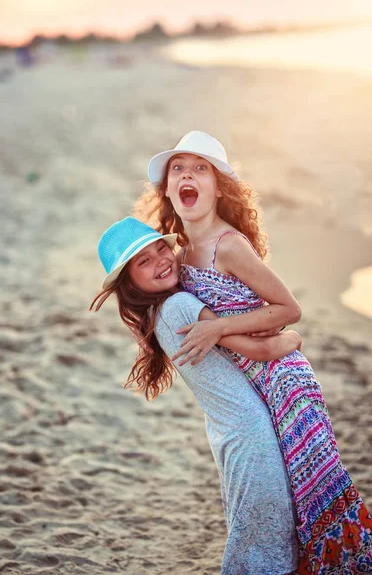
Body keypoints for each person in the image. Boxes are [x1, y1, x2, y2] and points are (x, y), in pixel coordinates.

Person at [134, 131, 372, 573]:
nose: (187, 174)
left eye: (200, 168)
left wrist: (223, 328)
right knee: (284, 499)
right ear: (167, 189)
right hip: (254, 376)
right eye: (178, 169)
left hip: (284, 382)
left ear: (219, 187)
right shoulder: (179, 254)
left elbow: (289, 309)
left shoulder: (230, 245)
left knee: (310, 494)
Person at [90, 216, 302, 574]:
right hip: (250, 434)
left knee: (251, 532)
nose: (160, 260)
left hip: (227, 433)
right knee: (265, 546)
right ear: (129, 283)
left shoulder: (159, 314)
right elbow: (263, 350)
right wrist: (295, 340)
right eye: (144, 261)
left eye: (161, 247)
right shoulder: (181, 307)